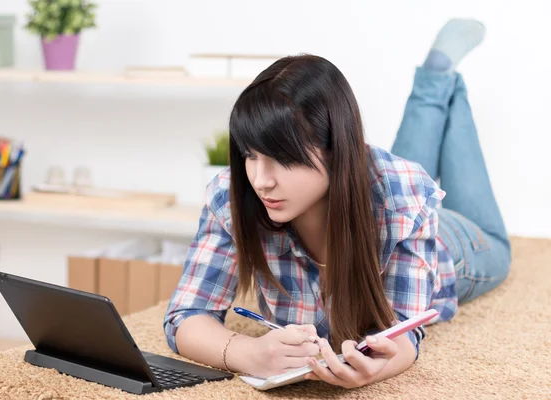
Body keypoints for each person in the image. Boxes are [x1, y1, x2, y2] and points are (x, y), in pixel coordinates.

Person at [163, 18, 511, 388]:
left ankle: (442, 80)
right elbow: (187, 314)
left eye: (282, 158)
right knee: (397, 176)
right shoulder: (232, 193)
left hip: (452, 248)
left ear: (335, 149)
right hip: (371, 193)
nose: (261, 180)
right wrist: (248, 353)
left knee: (494, 241)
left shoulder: (404, 197)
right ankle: (437, 78)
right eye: (250, 155)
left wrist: (381, 367)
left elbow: (405, 332)